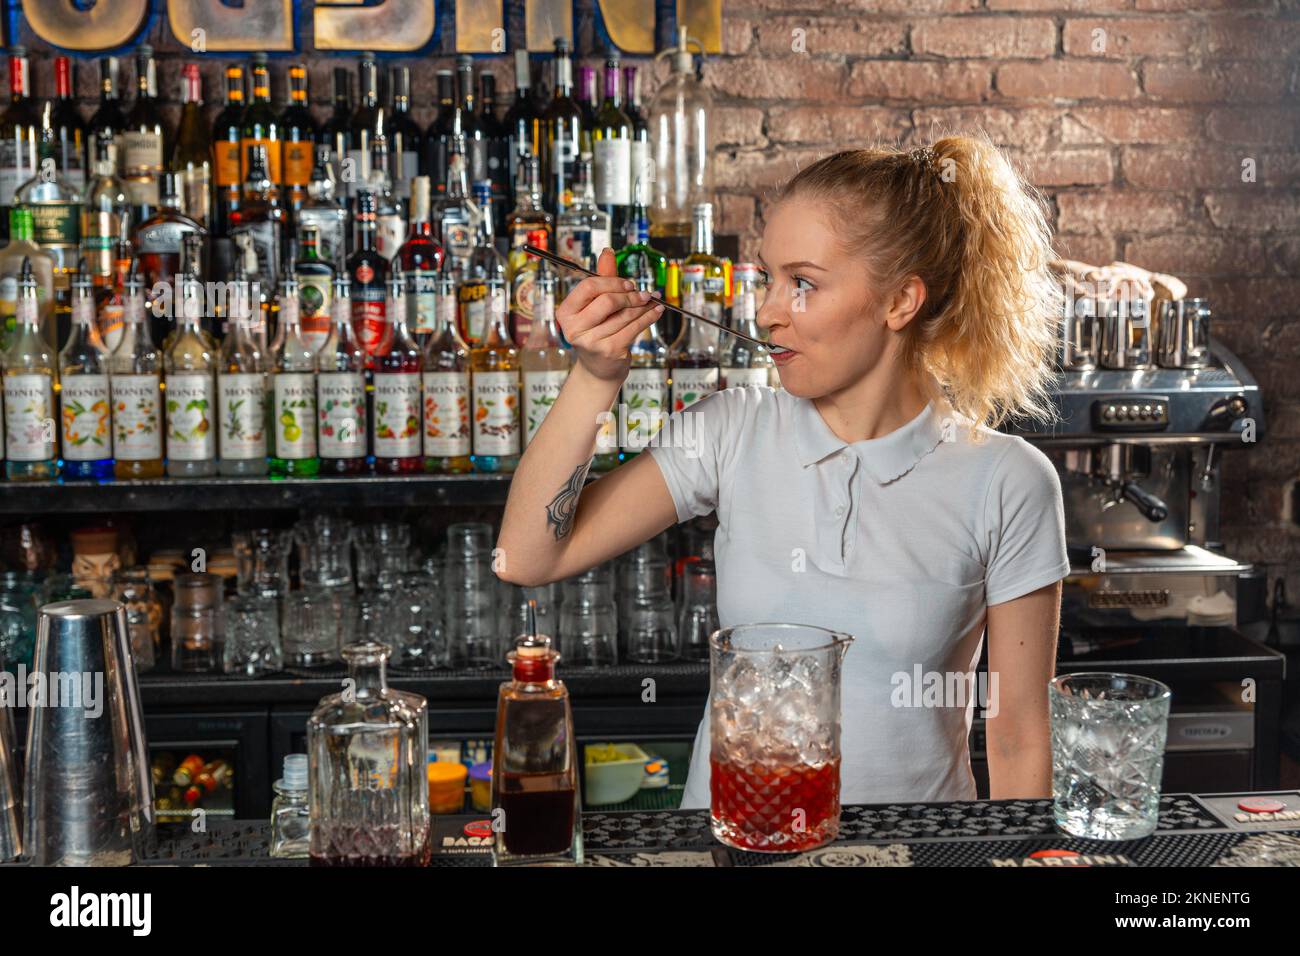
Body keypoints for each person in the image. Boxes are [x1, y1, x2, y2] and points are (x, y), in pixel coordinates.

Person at [496, 135, 1069, 807]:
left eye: (804, 284)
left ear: (900, 302)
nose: (767, 310)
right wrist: (596, 376)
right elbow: (526, 558)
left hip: (918, 853)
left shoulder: (1008, 480)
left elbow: (1020, 738)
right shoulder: (731, 430)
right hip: (732, 847)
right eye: (768, 278)